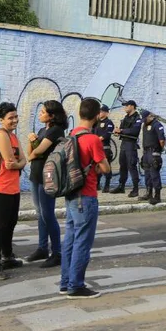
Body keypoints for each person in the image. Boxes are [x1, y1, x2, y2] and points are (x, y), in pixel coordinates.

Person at [59, 98, 111, 298]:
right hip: (87, 195)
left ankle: (65, 282)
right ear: (97, 115)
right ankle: (76, 285)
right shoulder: (92, 139)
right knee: (83, 241)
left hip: (72, 193)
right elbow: (105, 168)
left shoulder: (71, 135)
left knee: (70, 239)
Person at [0, 102, 28, 280]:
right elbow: (10, 162)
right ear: (1, 120)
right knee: (0, 225)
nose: (14, 120)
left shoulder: (13, 137)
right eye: (10, 118)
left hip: (12, 186)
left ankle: (7, 256)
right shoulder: (1, 136)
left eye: (15, 117)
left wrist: (18, 163)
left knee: (11, 223)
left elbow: (23, 160)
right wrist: (18, 163)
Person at [25, 100, 67, 268]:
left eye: (43, 112)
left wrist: (34, 148)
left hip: (48, 177)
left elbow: (38, 152)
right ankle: (42, 247)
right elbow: (30, 153)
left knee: (47, 214)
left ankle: (56, 252)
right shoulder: (43, 130)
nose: (40, 114)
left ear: (52, 115)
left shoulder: (56, 130)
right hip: (36, 174)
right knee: (39, 213)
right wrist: (31, 140)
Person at [113, 100, 142, 195]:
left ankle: (135, 189)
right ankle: (121, 186)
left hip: (131, 144)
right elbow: (122, 129)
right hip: (124, 143)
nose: (125, 108)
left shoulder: (137, 118)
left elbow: (134, 131)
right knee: (123, 166)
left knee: (131, 166)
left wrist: (121, 130)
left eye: (126, 106)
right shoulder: (126, 118)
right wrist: (117, 131)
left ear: (132, 106)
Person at [140, 110, 166, 205]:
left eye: (145, 119)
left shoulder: (157, 125)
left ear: (150, 116)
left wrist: (159, 150)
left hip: (154, 152)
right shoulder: (145, 125)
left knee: (154, 174)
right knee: (147, 174)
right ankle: (149, 193)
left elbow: (162, 140)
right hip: (146, 152)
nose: (144, 121)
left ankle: (157, 196)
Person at [94, 105, 116, 193]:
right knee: (96, 167)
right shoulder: (96, 123)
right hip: (97, 148)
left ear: (106, 113)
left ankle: (107, 186)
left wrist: (97, 139)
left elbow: (107, 135)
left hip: (105, 148)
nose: (100, 113)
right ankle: (97, 185)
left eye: (101, 111)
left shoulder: (109, 123)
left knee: (106, 168)